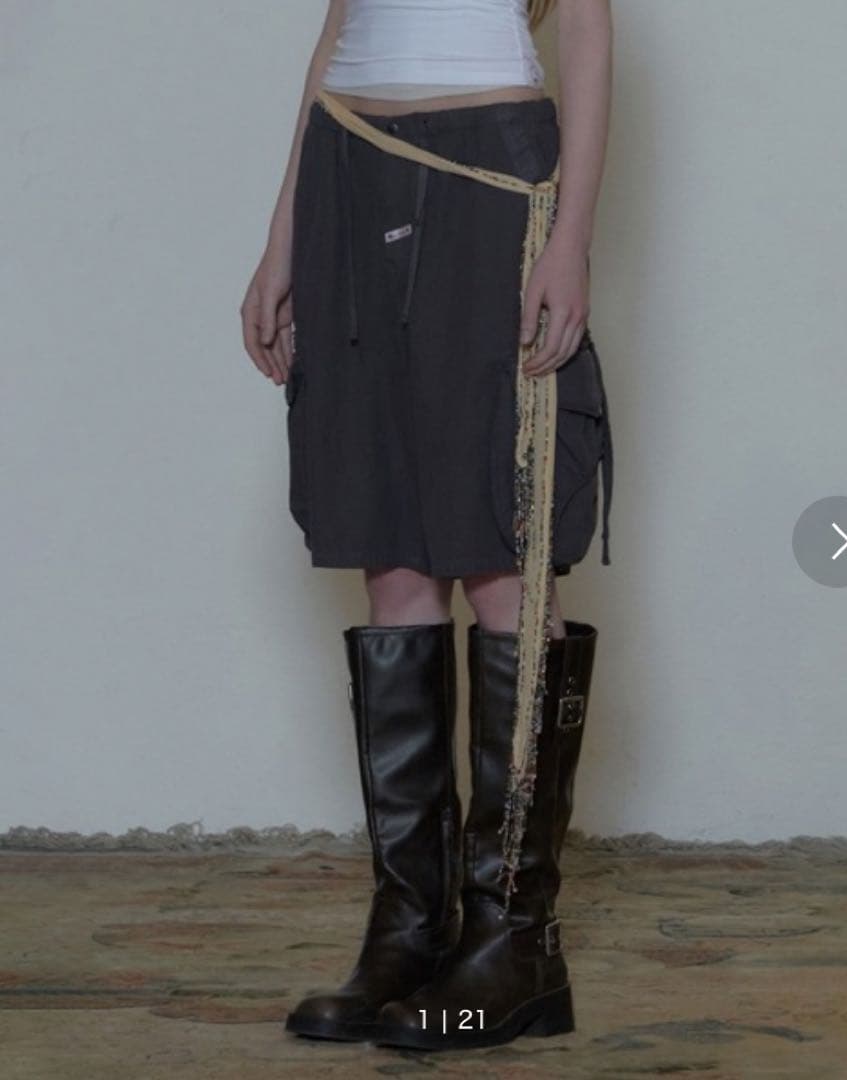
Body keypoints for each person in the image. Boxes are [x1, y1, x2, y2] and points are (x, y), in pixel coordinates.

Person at [240, 0, 614, 1052]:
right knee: (392, 549)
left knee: (501, 550)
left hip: (491, 166)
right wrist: (282, 239)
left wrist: (571, 236)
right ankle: (409, 931)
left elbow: (586, 32)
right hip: (347, 160)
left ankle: (514, 947)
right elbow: (338, 29)